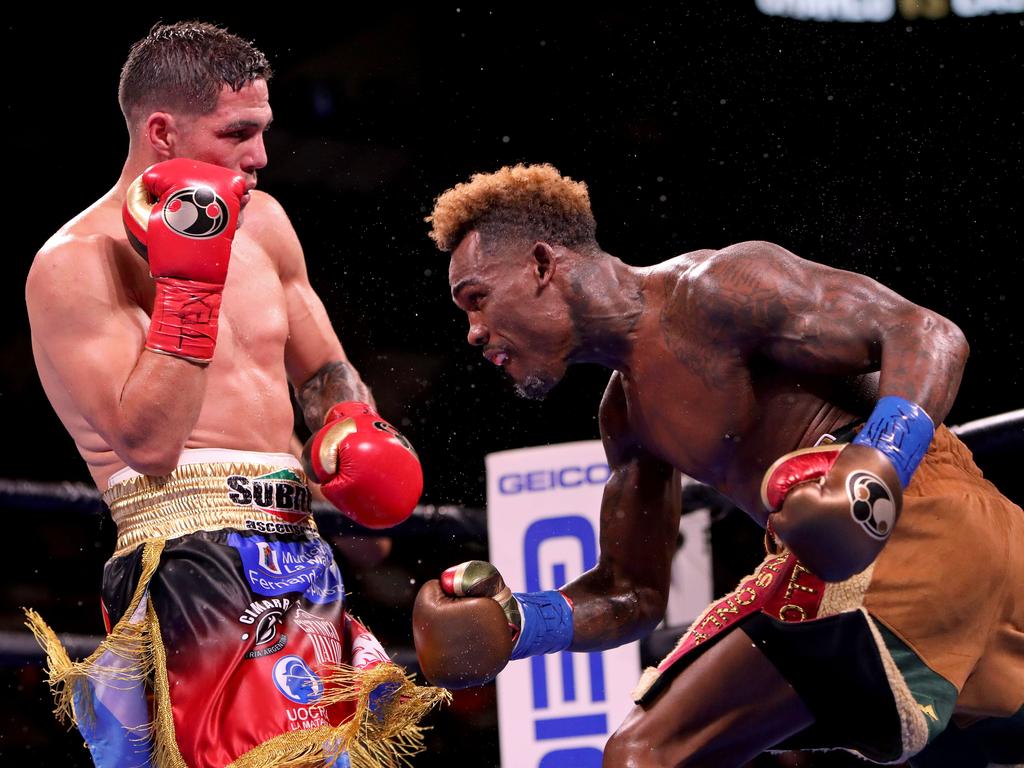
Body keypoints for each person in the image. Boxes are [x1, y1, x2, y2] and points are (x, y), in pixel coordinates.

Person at [412, 163, 1024, 766]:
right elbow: (632, 593)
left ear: (543, 264)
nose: (473, 331)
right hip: (960, 553)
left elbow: (926, 332)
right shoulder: (626, 419)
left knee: (646, 750)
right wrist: (520, 623)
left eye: (477, 299)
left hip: (917, 519)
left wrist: (870, 473)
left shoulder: (716, 289)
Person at [25, 21, 444, 768]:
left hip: (301, 552)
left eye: (263, 130)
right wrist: (190, 283)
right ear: (161, 131)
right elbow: (149, 444)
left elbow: (323, 373)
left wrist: (349, 431)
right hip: (192, 559)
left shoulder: (270, 224)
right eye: (238, 133)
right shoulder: (75, 265)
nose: (260, 156)